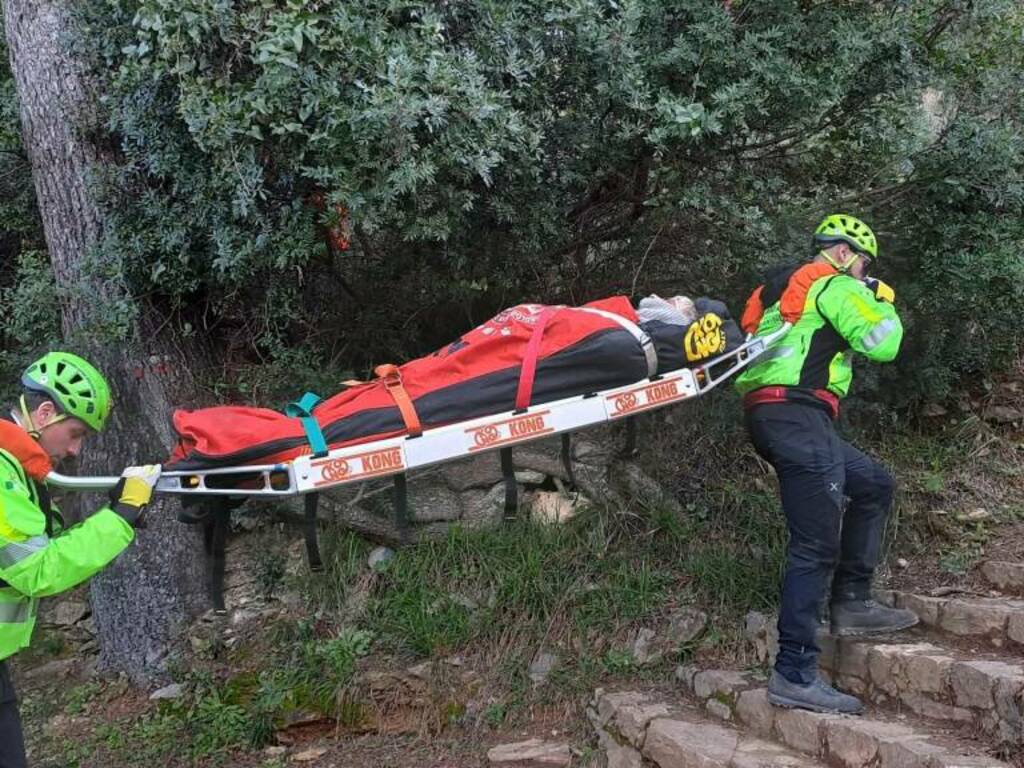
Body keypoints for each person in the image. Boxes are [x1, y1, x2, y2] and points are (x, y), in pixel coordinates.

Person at [735, 214, 917, 714]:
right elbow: (885, 343)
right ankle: (793, 672)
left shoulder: (781, 292)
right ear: (842, 254)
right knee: (815, 544)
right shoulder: (834, 285)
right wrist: (880, 300)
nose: (864, 272)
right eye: (863, 263)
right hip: (796, 415)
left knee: (873, 483)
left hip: (775, 415)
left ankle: (852, 601)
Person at [0, 352, 159, 768]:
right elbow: (39, 571)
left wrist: (114, 514)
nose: (74, 449)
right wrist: (120, 518)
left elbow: (41, 550)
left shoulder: (15, 469)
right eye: (75, 433)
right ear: (46, 412)